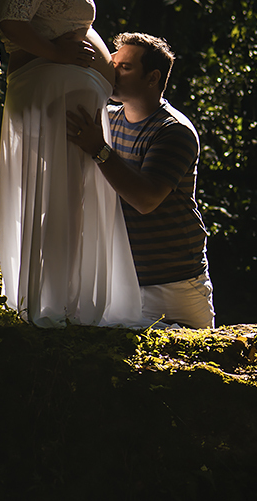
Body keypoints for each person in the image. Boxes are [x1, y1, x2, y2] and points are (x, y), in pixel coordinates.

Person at [0, 0, 143, 327]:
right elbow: (12, 25)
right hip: (58, 90)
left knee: (68, 195)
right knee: (69, 197)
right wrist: (56, 55)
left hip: (60, 89)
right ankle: (61, 306)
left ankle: (62, 300)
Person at [66, 33, 214, 328]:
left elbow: (146, 200)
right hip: (122, 279)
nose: (113, 72)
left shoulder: (173, 131)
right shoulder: (106, 120)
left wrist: (99, 149)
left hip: (175, 283)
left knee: (194, 367)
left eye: (125, 67)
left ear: (152, 77)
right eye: (113, 63)